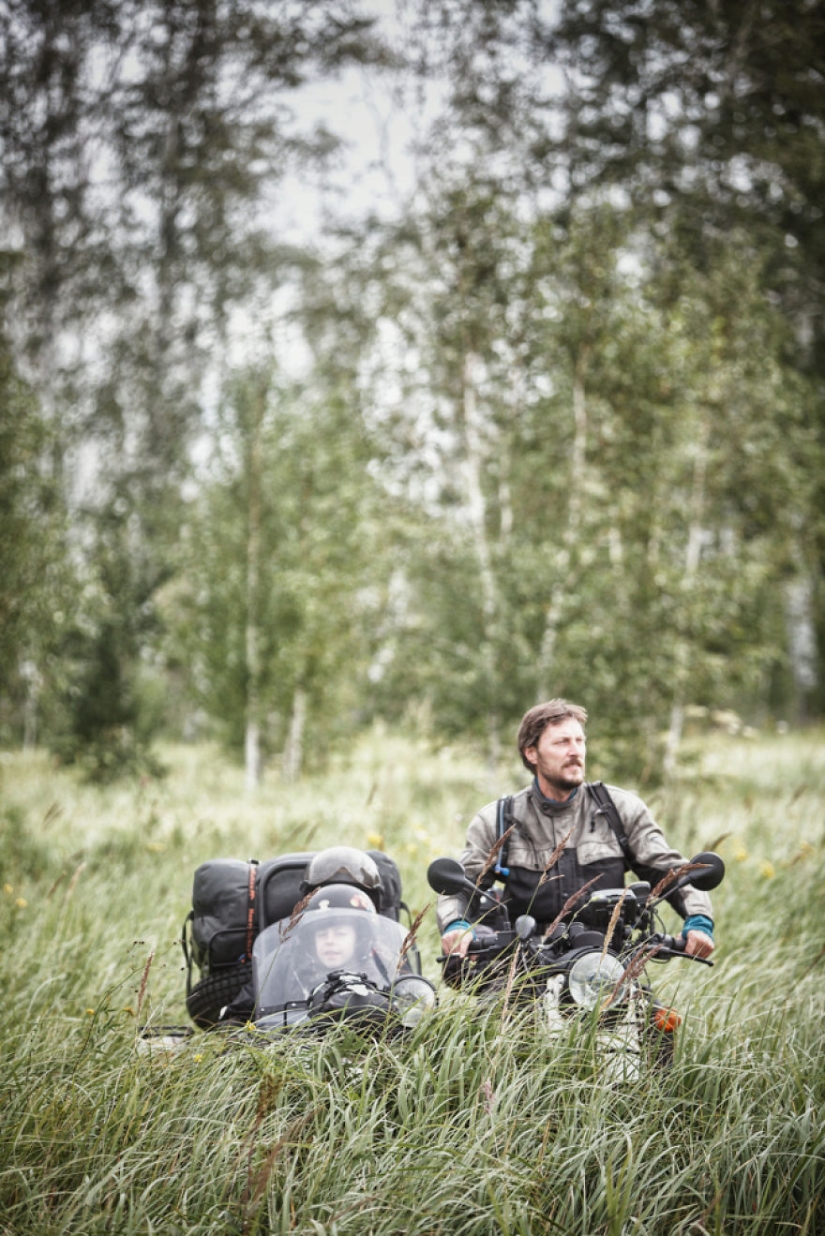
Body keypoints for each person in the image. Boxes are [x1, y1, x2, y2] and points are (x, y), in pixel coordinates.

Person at [438, 699, 715, 960]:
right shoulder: (499, 819)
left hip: (610, 963)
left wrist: (699, 920)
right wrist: (456, 925)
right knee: (493, 1010)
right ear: (531, 752)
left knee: (652, 1012)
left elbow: (672, 872)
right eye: (562, 742)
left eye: (580, 741)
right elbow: (462, 888)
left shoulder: (620, 809)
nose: (575, 751)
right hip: (525, 963)